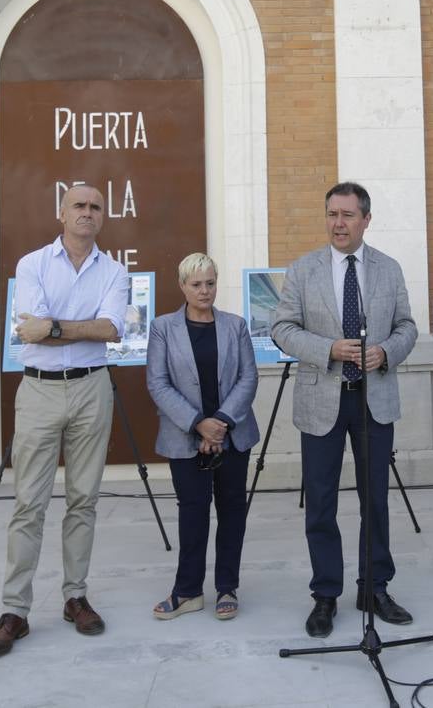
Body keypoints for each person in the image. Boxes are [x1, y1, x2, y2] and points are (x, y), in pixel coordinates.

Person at [0, 183, 130, 657]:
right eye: (79, 206)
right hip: (40, 390)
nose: (87, 213)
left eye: (95, 207)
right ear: (61, 213)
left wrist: (57, 327)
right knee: (29, 503)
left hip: (92, 388)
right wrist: (69, 329)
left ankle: (75, 597)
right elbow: (31, 328)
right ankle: (14, 611)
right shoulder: (32, 264)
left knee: (84, 499)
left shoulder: (114, 270)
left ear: (103, 216)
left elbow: (111, 330)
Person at [272, 181, 418, 638]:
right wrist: (328, 348)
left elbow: (407, 327)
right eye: (332, 214)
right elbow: (281, 328)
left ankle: (374, 587)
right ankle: (325, 594)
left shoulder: (389, 270)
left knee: (375, 499)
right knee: (321, 502)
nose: (338, 223)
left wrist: (387, 352)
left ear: (366, 220)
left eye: (348, 215)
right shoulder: (303, 270)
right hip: (321, 400)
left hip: (373, 398)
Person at [146, 252, 260, 622]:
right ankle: (187, 592)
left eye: (210, 282)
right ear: (182, 286)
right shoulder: (163, 327)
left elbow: (248, 378)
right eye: (196, 284)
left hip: (233, 434)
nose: (205, 290)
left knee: (231, 513)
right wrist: (199, 423)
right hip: (185, 438)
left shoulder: (235, 325)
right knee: (192, 514)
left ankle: (227, 587)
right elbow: (158, 384)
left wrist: (221, 422)